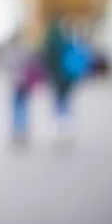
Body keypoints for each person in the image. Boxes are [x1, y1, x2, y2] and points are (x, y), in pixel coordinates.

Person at [42, 13, 92, 142]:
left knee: (58, 100)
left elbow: (47, 60)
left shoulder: (52, 43)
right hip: (69, 77)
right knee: (66, 100)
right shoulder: (69, 41)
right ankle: (68, 126)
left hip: (57, 77)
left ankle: (58, 128)